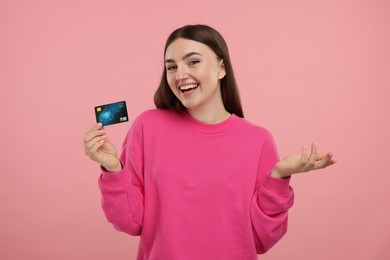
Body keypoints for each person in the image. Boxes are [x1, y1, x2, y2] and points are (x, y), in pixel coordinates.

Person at [83, 24, 336, 260]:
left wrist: (279, 175)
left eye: (193, 62)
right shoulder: (147, 127)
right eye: (171, 67)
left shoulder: (258, 140)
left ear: (221, 68)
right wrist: (114, 170)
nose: (180, 75)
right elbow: (131, 221)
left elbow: (262, 239)